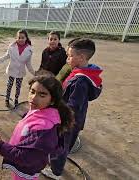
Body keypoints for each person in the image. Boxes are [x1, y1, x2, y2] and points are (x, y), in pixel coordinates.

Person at [42, 38, 103, 179]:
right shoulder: (85, 72)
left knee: (60, 146)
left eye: (70, 56)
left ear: (81, 57)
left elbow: (72, 107)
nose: (67, 58)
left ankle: (55, 172)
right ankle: (57, 164)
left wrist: (55, 111)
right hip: (73, 120)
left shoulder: (80, 81)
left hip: (67, 121)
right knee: (63, 145)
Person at [0, 75, 74, 180]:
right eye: (32, 91)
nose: (33, 98)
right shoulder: (39, 111)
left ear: (52, 100)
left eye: (42, 95)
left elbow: (25, 157)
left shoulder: (44, 128)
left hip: (25, 170)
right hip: (21, 167)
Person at [0, 29, 35, 107]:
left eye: (22, 37)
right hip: (12, 70)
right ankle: (7, 99)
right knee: (9, 86)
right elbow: (6, 56)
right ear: (16, 38)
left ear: (26, 38)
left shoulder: (29, 50)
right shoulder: (11, 47)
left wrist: (34, 73)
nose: (20, 39)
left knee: (18, 87)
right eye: (19, 37)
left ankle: (16, 100)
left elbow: (28, 64)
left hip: (20, 72)